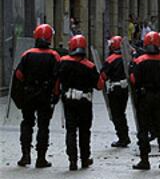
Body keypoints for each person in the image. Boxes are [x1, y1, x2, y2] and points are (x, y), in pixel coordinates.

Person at [13, 24, 60, 168]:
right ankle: (41, 158)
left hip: (28, 94)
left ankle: (25, 155)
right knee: (43, 126)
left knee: (27, 123)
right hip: (45, 95)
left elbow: (19, 75)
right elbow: (58, 77)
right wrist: (56, 94)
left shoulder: (27, 54)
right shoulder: (54, 56)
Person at [57, 35, 104, 171]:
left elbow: (57, 81)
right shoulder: (89, 66)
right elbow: (100, 85)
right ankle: (85, 159)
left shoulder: (63, 62)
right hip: (84, 102)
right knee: (84, 131)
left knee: (70, 131)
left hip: (69, 101)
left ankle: (72, 161)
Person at [131, 31, 160, 170]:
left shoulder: (139, 61)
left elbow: (133, 80)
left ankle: (144, 160)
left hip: (144, 98)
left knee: (143, 129)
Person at [100, 36, 131, 148]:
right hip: (125, 89)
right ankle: (124, 136)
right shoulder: (127, 58)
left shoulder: (111, 59)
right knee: (121, 113)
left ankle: (123, 138)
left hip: (115, 89)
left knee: (116, 115)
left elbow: (103, 76)